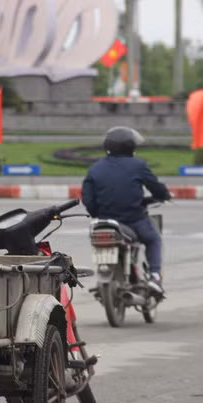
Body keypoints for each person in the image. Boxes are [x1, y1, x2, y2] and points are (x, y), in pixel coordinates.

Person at [81, 126, 171, 295]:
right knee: (153, 240)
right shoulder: (138, 165)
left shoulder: (94, 169)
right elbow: (156, 188)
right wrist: (164, 195)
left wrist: (98, 215)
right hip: (134, 220)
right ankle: (154, 277)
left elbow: (88, 199)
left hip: (104, 222)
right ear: (131, 146)